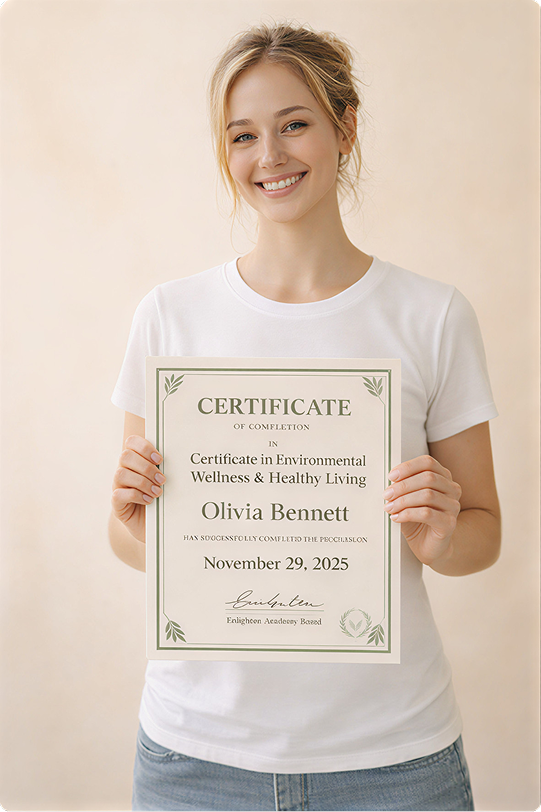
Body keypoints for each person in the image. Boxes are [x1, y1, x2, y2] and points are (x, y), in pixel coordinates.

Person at [109, 20, 501, 812]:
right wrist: (136, 522)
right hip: (196, 759)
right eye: (242, 135)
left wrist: (439, 535)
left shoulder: (430, 315)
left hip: (394, 761)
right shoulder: (168, 316)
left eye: (294, 124)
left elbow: (482, 537)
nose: (270, 156)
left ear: (343, 129)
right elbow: (129, 540)